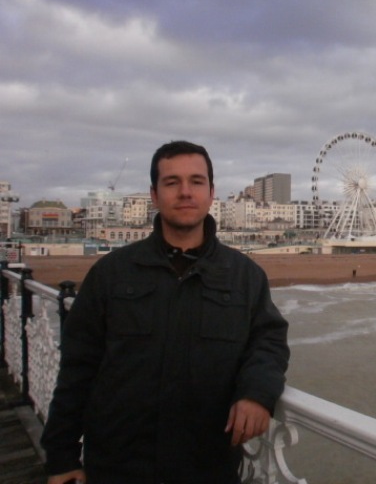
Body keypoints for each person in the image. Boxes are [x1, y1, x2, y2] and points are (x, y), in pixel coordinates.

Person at [41, 141, 290, 484]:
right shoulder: (111, 273)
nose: (185, 192)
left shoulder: (244, 276)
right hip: (118, 466)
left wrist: (257, 394)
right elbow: (77, 369)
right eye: (172, 182)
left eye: (196, 181)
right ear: (154, 195)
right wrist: (61, 457)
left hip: (207, 467)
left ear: (211, 192)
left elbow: (269, 342)